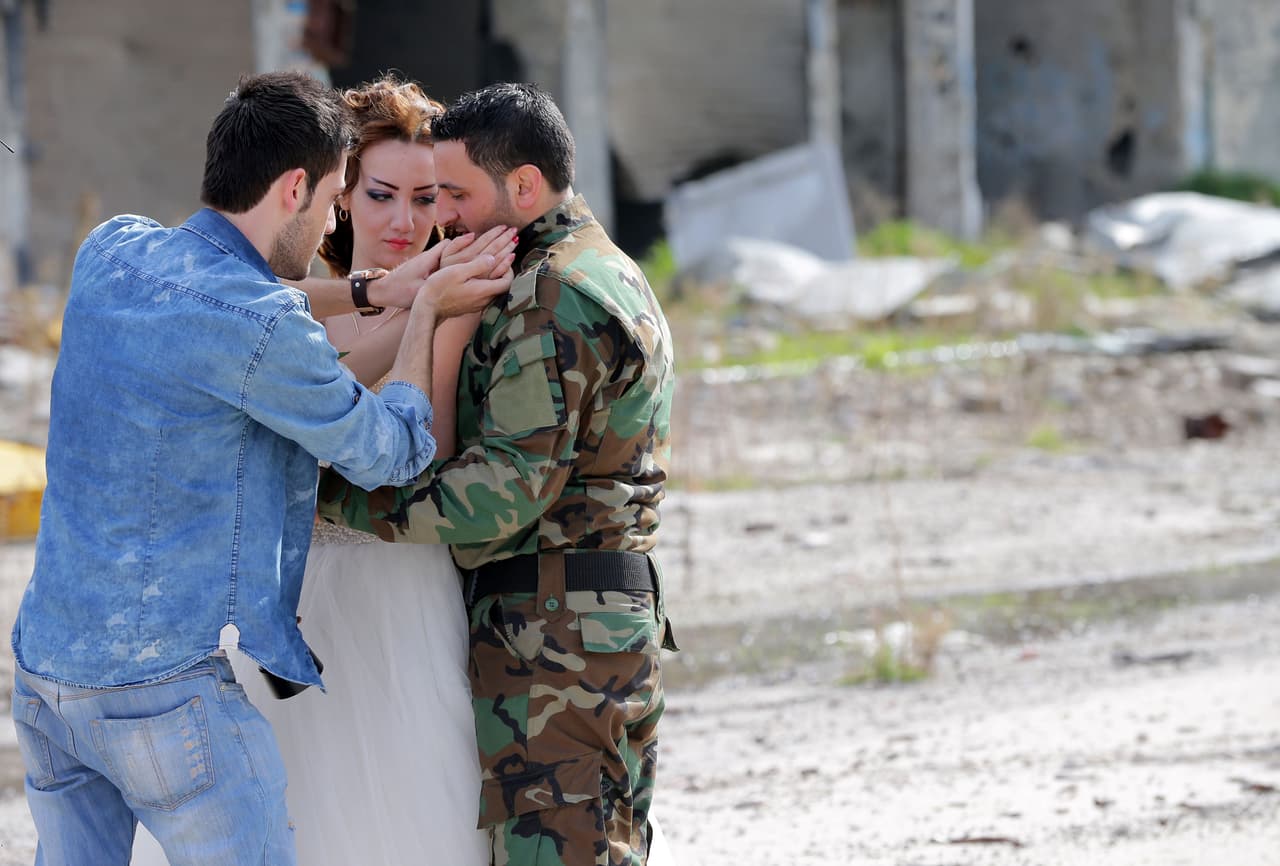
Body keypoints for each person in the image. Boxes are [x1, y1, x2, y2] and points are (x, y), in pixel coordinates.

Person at [10, 70, 512, 866]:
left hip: (46, 675)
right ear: (293, 189)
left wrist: (370, 291)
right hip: (163, 695)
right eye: (333, 199)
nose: (330, 222)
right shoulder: (266, 328)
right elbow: (392, 449)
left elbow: (235, 289)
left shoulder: (113, 248)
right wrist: (423, 313)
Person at [318, 82, 677, 866]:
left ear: (523, 184)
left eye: (454, 193)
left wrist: (335, 500)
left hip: (558, 641)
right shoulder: (596, 265)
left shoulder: (553, 293)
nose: (441, 215)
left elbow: (505, 491)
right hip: (576, 625)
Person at [144, 74, 497, 866]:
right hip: (289, 593)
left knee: (407, 803)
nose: (404, 220)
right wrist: (408, 310)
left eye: (427, 197)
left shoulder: (461, 305)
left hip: (399, 585)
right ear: (341, 194)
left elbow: (418, 457)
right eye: (380, 195)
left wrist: (429, 310)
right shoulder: (283, 307)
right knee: (282, 806)